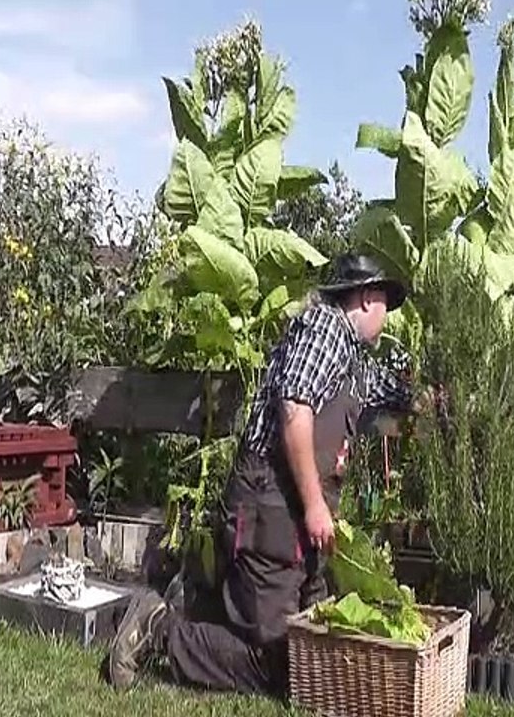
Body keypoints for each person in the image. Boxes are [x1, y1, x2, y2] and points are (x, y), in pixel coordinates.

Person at [106, 253, 418, 696]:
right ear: (368, 298)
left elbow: (392, 392)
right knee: (279, 664)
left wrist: (435, 397)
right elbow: (294, 407)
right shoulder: (325, 328)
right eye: (387, 303)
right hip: (272, 503)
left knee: (309, 646)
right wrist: (313, 506)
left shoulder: (354, 360)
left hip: (293, 519)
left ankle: (198, 607)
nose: (388, 317)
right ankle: (158, 632)